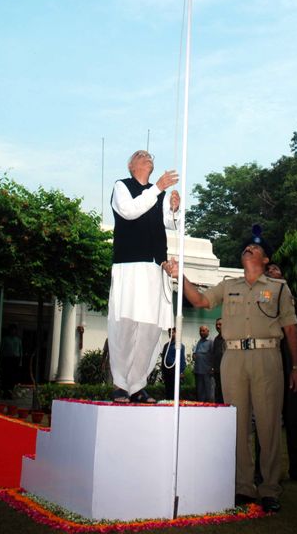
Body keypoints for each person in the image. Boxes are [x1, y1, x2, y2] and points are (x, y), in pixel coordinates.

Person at [167, 226, 297, 514]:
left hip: (267, 357)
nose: (248, 249)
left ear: (266, 259)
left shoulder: (279, 288)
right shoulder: (229, 286)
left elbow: (291, 329)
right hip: (233, 358)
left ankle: (269, 489)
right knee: (237, 425)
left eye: (254, 248)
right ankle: (243, 487)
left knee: (267, 425)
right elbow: (200, 300)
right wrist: (181, 275)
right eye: (245, 247)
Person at [108, 150, 179, 404]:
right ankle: (120, 382)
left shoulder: (156, 194)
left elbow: (170, 224)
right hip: (129, 266)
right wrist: (158, 188)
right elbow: (129, 211)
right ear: (131, 165)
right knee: (125, 324)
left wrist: (174, 208)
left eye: (150, 155)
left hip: (154, 268)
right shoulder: (121, 186)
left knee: (150, 328)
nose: (147, 157)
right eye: (141, 155)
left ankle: (138, 383)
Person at [268, 263, 297, 485]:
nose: (271, 271)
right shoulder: (262, 300)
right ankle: (264, 472)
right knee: (267, 421)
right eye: (268, 270)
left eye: (276, 268)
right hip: (268, 365)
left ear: (283, 274)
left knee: (294, 420)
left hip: (291, 365)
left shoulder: (294, 301)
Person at [161, 327, 186, 400]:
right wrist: (163, 371)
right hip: (167, 371)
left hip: (175, 370)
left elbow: (182, 359)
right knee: (168, 389)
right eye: (169, 333)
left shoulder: (179, 345)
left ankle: (175, 404)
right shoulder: (166, 345)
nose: (170, 334)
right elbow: (163, 359)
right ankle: (168, 405)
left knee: (175, 390)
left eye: (172, 332)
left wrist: (181, 372)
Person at [0, 324, 22, 398]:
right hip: (7, 359)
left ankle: (11, 393)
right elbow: (1, 350)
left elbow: (21, 351)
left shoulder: (18, 340)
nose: (12, 331)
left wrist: (20, 362)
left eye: (14, 330)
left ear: (15, 331)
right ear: (9, 331)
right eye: (11, 330)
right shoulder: (5, 339)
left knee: (13, 377)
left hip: (15, 360)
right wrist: (1, 360)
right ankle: (5, 393)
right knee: (6, 376)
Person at [193, 325, 214, 402]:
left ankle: (209, 408)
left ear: (208, 331)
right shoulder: (199, 341)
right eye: (200, 331)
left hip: (207, 372)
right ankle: (200, 408)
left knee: (208, 393)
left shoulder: (211, 342)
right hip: (198, 371)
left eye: (203, 331)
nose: (201, 332)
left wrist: (212, 368)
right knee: (199, 393)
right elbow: (195, 352)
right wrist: (194, 355)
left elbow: (213, 355)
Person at [212, 318, 226, 404]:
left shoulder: (228, 338)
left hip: (226, 371)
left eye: (220, 324)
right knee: (218, 391)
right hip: (217, 371)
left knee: (225, 391)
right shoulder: (216, 339)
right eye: (216, 324)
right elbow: (214, 354)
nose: (218, 326)